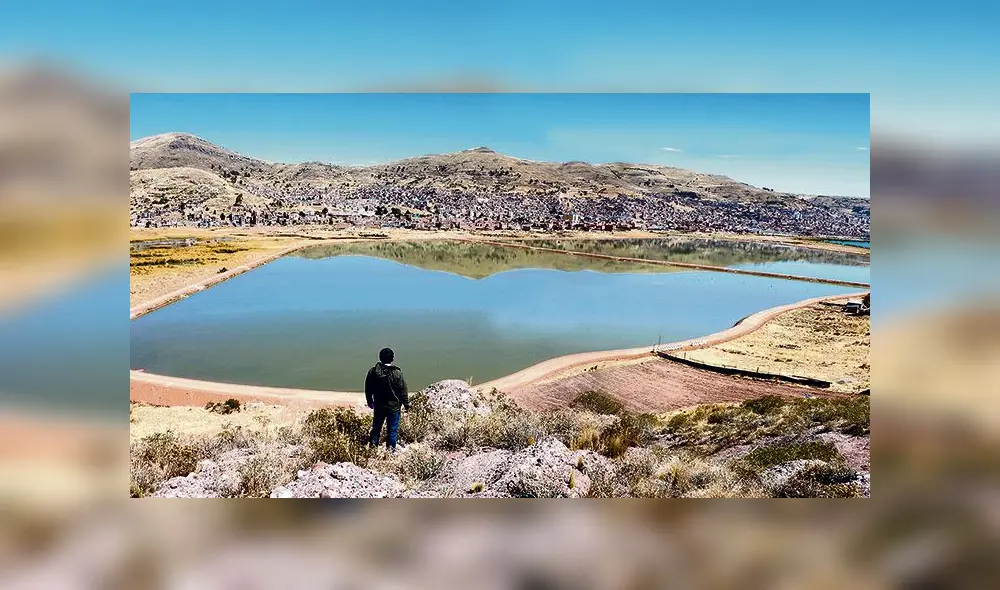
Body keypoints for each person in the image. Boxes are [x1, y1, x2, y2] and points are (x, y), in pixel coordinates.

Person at [365, 347, 410, 451]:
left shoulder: (373, 372)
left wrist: (370, 402)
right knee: (392, 431)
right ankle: (390, 452)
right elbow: (403, 390)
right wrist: (406, 404)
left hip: (379, 406)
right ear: (392, 358)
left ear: (380, 358)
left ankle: (372, 449)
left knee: (376, 429)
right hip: (394, 407)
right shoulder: (397, 373)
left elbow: (368, 388)